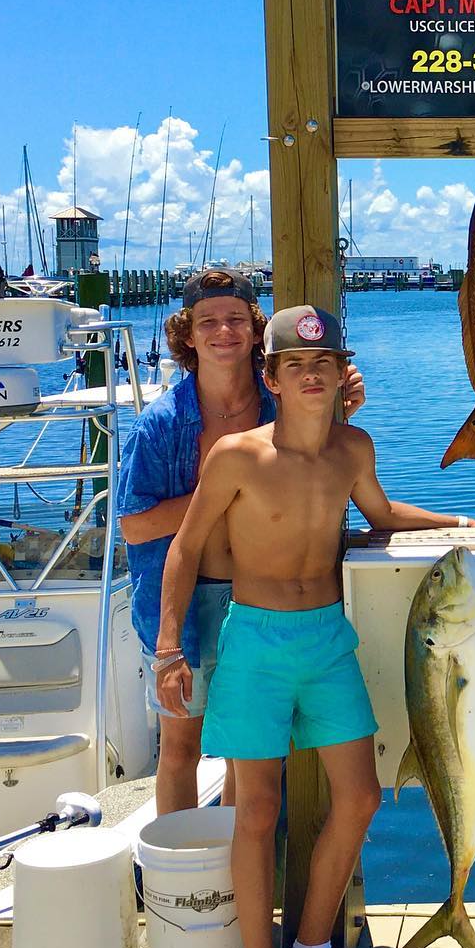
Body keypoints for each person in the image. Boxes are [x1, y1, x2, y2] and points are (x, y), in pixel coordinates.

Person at [156, 305, 475, 948]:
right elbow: (184, 552)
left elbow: (378, 515)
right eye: (294, 366)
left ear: (339, 375)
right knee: (257, 812)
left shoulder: (353, 447)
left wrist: (459, 523)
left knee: (360, 795)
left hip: (326, 642)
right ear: (273, 378)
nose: (310, 375)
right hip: (252, 642)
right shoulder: (237, 455)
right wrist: (166, 651)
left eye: (323, 364)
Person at [117, 268, 367, 816]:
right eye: (208, 322)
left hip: (260, 604)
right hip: (186, 600)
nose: (223, 331)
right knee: (179, 746)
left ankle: (234, 869)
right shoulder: (159, 424)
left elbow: (317, 462)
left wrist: (341, 408)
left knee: (247, 756)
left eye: (236, 319)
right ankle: (178, 880)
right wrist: (227, 491)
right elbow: (133, 526)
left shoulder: (279, 403)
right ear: (187, 334)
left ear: (256, 332)